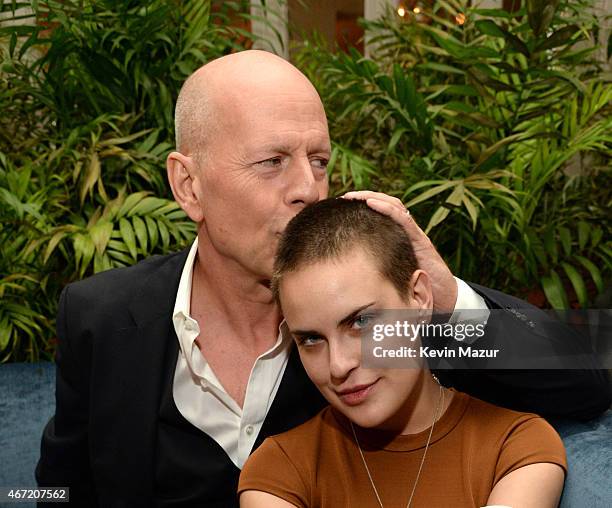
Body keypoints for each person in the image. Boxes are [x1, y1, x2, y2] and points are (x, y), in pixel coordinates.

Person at [36, 50, 609, 507]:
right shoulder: (102, 317)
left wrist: (445, 295)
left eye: (319, 160)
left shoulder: (377, 322)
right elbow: (57, 490)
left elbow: (587, 376)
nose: (308, 188)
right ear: (189, 186)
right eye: (272, 161)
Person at [239, 198, 567, 508]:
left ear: (420, 298)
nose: (338, 365)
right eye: (311, 339)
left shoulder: (516, 446)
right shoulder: (278, 472)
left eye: (361, 321)